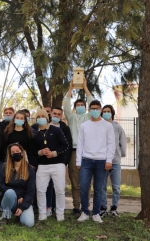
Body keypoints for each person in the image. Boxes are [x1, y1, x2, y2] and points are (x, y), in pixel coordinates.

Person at [76, 100, 115, 223]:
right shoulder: (84, 125)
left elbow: (111, 144)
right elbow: (80, 144)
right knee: (83, 187)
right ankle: (84, 212)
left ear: (101, 110)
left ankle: (96, 213)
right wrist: (78, 161)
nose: (94, 110)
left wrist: (109, 160)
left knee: (98, 189)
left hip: (101, 161)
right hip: (86, 160)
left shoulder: (108, 126)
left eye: (97, 108)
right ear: (89, 110)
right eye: (92, 108)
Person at [63, 78, 93, 215]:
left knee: (86, 182)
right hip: (74, 152)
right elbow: (66, 105)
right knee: (75, 182)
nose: (80, 106)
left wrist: (85, 87)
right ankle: (76, 207)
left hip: (88, 152)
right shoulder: (72, 118)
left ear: (85, 108)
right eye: (78, 105)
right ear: (75, 108)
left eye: (82, 105)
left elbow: (93, 102)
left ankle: (85, 207)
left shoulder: (89, 117)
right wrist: (71, 89)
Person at [33, 109, 69, 221]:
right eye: (38, 116)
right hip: (42, 166)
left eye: (42, 116)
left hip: (58, 164)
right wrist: (40, 152)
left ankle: (60, 214)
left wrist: (54, 153)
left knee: (59, 190)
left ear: (47, 118)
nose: (40, 118)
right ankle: (42, 214)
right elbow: (33, 150)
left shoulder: (56, 130)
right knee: (40, 190)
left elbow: (65, 145)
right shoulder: (35, 133)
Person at [0, 143, 36, 227]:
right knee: (10, 192)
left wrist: (22, 207)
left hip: (24, 201)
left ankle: (19, 215)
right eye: (13, 152)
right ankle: (5, 216)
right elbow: (0, 185)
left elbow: (31, 191)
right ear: (10, 155)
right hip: (9, 199)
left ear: (22, 152)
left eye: (17, 151)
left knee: (29, 223)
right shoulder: (5, 167)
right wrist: (18, 195)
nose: (15, 153)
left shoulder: (30, 170)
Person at [45, 106, 73, 217]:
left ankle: (58, 209)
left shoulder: (65, 128)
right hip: (45, 162)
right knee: (47, 186)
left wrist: (64, 162)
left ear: (61, 116)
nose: (56, 116)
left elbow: (68, 146)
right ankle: (48, 207)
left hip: (59, 162)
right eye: (54, 113)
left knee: (58, 187)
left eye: (58, 114)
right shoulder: (45, 126)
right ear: (51, 114)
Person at [99, 105, 126, 217]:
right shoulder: (99, 126)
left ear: (112, 113)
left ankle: (114, 208)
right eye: (104, 111)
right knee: (102, 187)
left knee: (116, 187)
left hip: (115, 162)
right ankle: (103, 207)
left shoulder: (118, 127)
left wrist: (122, 154)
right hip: (102, 161)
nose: (106, 113)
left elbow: (123, 142)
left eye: (108, 111)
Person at [0, 107, 15, 211]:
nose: (8, 114)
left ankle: (11, 204)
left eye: (10, 113)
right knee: (0, 182)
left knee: (12, 182)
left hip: (13, 160)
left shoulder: (16, 125)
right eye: (6, 113)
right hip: (0, 158)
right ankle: (0, 205)